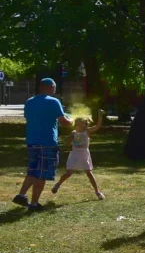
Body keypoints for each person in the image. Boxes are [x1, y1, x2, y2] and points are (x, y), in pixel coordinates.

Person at [12, 78, 72, 211]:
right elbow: (64, 122)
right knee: (42, 173)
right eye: (54, 88)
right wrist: (73, 121)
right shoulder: (54, 101)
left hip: (32, 141)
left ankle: (21, 195)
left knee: (33, 170)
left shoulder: (29, 101)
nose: (54, 90)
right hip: (47, 142)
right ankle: (34, 204)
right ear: (51, 87)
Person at [51, 112, 105, 200]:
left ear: (84, 124)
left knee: (89, 173)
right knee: (68, 173)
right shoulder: (74, 133)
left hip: (84, 154)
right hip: (75, 154)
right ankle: (58, 184)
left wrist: (100, 116)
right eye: (76, 123)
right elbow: (68, 144)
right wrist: (69, 140)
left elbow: (98, 126)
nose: (76, 125)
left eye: (78, 123)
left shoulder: (87, 131)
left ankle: (97, 192)